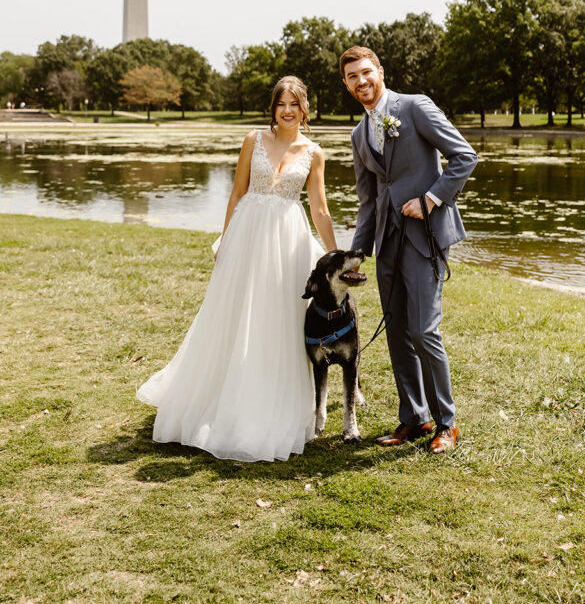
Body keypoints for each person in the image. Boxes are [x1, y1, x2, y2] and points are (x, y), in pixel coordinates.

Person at [137, 76, 337, 462]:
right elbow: (236, 193)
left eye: (294, 105)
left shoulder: (314, 153)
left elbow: (320, 209)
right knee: (233, 316)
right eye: (281, 104)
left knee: (278, 321)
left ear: (304, 109)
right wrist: (225, 240)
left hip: (287, 242)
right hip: (247, 236)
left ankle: (269, 402)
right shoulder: (253, 141)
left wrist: (336, 258)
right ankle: (219, 397)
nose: (287, 111)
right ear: (273, 108)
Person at [341, 46, 477, 454]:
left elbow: (464, 156)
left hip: (425, 238)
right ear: (346, 84)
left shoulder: (415, 107)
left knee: (423, 331)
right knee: (398, 334)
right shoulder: (358, 133)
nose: (361, 81)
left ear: (380, 71)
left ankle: (447, 424)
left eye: (366, 72)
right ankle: (414, 418)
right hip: (387, 244)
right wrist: (357, 252)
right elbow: (368, 201)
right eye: (352, 77)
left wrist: (431, 199)